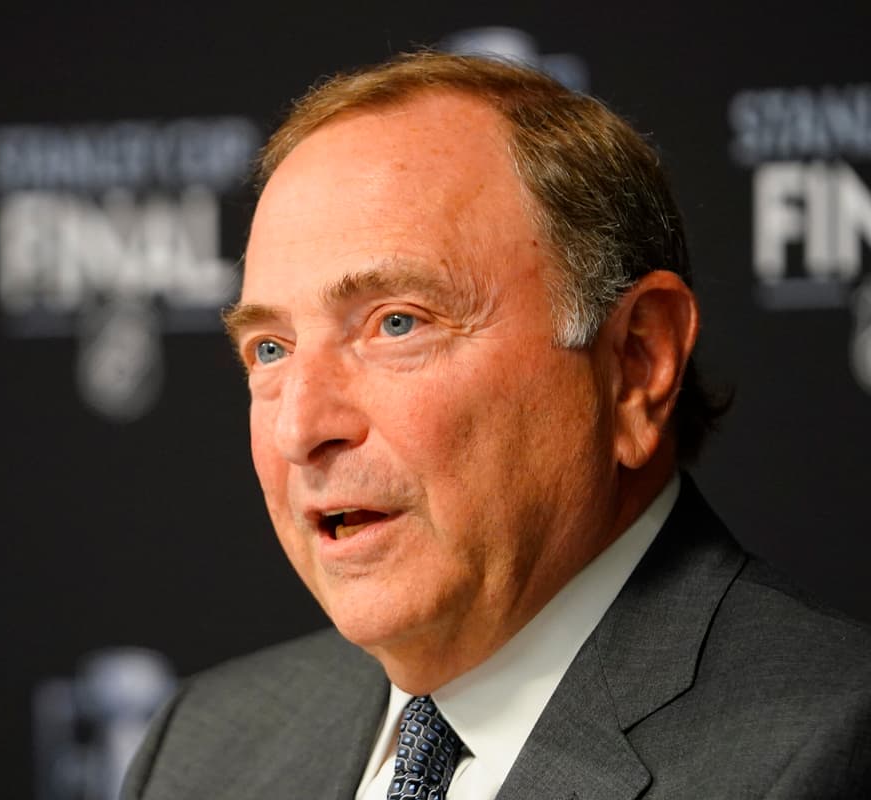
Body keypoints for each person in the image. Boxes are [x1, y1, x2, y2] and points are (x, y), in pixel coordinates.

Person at [121, 52, 871, 799]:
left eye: (397, 322)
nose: (300, 428)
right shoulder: (202, 747)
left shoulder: (830, 751)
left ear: (636, 362)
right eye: (271, 348)